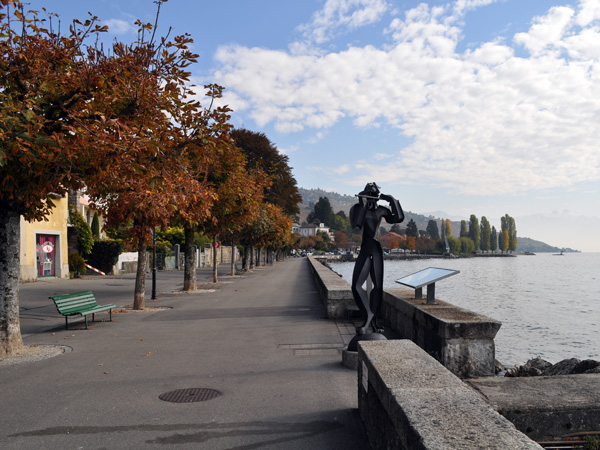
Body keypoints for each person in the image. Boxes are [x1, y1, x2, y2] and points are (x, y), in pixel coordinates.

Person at [350, 183, 404, 335]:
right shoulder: (357, 209)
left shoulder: (381, 210)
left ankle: (373, 322)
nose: (372, 200)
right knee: (356, 286)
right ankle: (368, 315)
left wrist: (392, 200)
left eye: (374, 196)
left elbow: (398, 218)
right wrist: (363, 206)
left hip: (376, 248)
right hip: (365, 248)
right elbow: (357, 224)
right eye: (369, 196)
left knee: (378, 287)